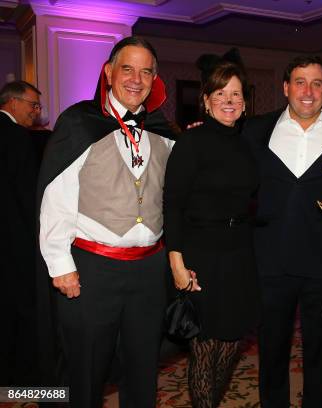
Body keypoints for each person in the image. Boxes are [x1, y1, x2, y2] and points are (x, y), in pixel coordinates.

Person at [38, 36, 175, 406]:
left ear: (155, 80)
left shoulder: (163, 132)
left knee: (143, 366)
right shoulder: (79, 122)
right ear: (109, 72)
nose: (136, 78)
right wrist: (60, 265)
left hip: (149, 271)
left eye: (146, 71)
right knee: (86, 369)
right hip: (91, 270)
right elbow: (56, 197)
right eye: (127, 68)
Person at [242, 55, 322, 408]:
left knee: (320, 353)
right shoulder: (254, 131)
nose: (308, 91)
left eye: (317, 83)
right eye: (300, 81)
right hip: (271, 261)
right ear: (285, 88)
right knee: (271, 352)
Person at [163, 49, 260, 408]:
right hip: (201, 256)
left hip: (239, 255)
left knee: (231, 344)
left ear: (245, 102)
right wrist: (176, 263)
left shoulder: (249, 143)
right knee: (204, 349)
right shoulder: (191, 142)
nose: (229, 101)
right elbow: (172, 203)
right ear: (206, 100)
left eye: (236, 93)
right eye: (220, 94)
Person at [0, 80, 41, 385]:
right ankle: (20, 376)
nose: (36, 112)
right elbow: (27, 196)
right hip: (14, 237)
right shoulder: (16, 137)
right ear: (12, 102)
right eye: (32, 105)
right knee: (20, 305)